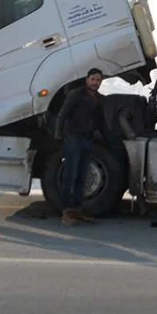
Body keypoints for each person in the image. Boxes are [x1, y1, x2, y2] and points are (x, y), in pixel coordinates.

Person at [53, 67, 106, 226]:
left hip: (87, 140)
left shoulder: (98, 99)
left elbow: (101, 121)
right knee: (70, 176)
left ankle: (76, 210)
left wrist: (110, 138)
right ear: (87, 80)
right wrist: (59, 134)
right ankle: (66, 212)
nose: (95, 83)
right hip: (73, 139)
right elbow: (63, 114)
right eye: (93, 79)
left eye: (98, 80)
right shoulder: (76, 94)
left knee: (82, 177)